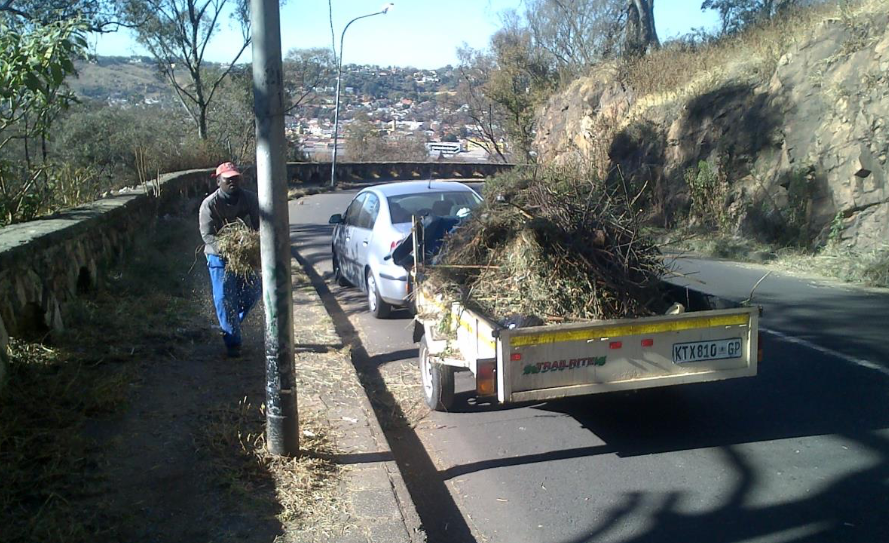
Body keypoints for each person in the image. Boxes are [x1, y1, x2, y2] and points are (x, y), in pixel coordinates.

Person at [199, 162, 261, 358]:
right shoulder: (209, 204)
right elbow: (207, 236)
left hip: (243, 255)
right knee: (225, 298)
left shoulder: (249, 198)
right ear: (218, 181)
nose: (233, 182)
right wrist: (227, 249)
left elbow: (260, 224)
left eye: (236, 178)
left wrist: (253, 241)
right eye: (228, 179)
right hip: (218, 256)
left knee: (253, 291)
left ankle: (231, 324)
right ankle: (233, 344)